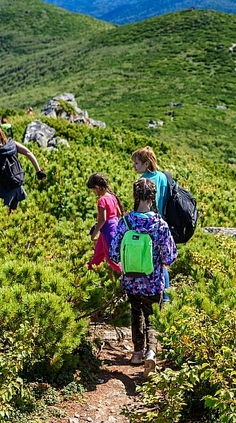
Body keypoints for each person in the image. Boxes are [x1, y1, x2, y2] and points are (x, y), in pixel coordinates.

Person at [109, 178, 177, 377]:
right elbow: (170, 257)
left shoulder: (127, 222)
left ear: (135, 196)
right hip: (153, 281)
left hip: (130, 280)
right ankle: (151, 352)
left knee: (135, 313)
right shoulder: (159, 224)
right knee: (152, 317)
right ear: (153, 197)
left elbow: (114, 253)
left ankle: (137, 353)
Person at [0, 123, 46, 214]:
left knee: (2, 214)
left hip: (3, 187)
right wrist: (39, 171)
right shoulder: (12, 143)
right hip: (17, 183)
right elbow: (28, 153)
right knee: (14, 213)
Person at [132, 146, 172, 302]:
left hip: (147, 224)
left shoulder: (143, 181)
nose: (134, 166)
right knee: (162, 263)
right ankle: (166, 297)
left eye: (136, 163)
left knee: (146, 260)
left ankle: (144, 295)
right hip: (162, 222)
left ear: (146, 164)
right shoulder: (163, 176)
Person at [87, 173, 124, 274]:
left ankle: (123, 275)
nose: (94, 192)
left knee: (111, 258)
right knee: (98, 253)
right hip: (112, 228)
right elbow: (119, 213)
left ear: (97, 187)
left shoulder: (102, 200)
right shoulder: (112, 197)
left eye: (93, 190)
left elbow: (102, 219)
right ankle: (89, 271)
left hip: (107, 231)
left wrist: (94, 233)